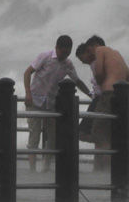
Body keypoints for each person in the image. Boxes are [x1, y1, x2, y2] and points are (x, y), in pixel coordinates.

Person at [23, 35, 91, 171]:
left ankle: (46, 167)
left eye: (68, 53)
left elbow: (77, 81)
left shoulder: (68, 64)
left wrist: (90, 94)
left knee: (52, 137)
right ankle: (31, 169)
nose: (64, 55)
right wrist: (27, 93)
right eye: (63, 52)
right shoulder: (45, 56)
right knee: (34, 135)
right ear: (57, 48)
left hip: (51, 104)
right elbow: (27, 72)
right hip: (35, 101)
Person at [76, 41, 129, 171]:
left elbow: (98, 73)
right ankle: (116, 171)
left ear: (92, 47)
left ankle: (105, 172)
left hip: (107, 95)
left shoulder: (99, 50)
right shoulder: (116, 53)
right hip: (122, 97)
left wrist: (103, 83)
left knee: (99, 135)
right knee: (111, 135)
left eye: (89, 50)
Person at [75, 35, 106, 142]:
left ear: (87, 52)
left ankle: (102, 143)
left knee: (82, 132)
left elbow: (101, 82)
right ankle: (103, 143)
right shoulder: (99, 62)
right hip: (97, 99)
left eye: (81, 58)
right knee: (92, 131)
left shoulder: (95, 64)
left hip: (99, 100)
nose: (82, 61)